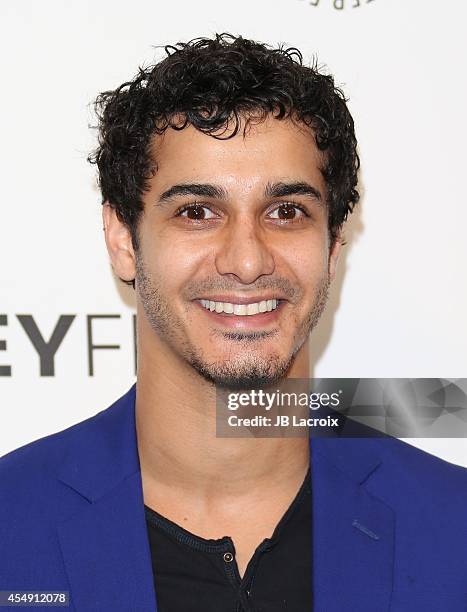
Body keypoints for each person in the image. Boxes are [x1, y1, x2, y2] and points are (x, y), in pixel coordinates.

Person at [0, 33, 466, 612]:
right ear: (123, 239)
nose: (247, 261)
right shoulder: (9, 522)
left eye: (286, 211)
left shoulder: (453, 526)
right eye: (197, 212)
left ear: (333, 245)